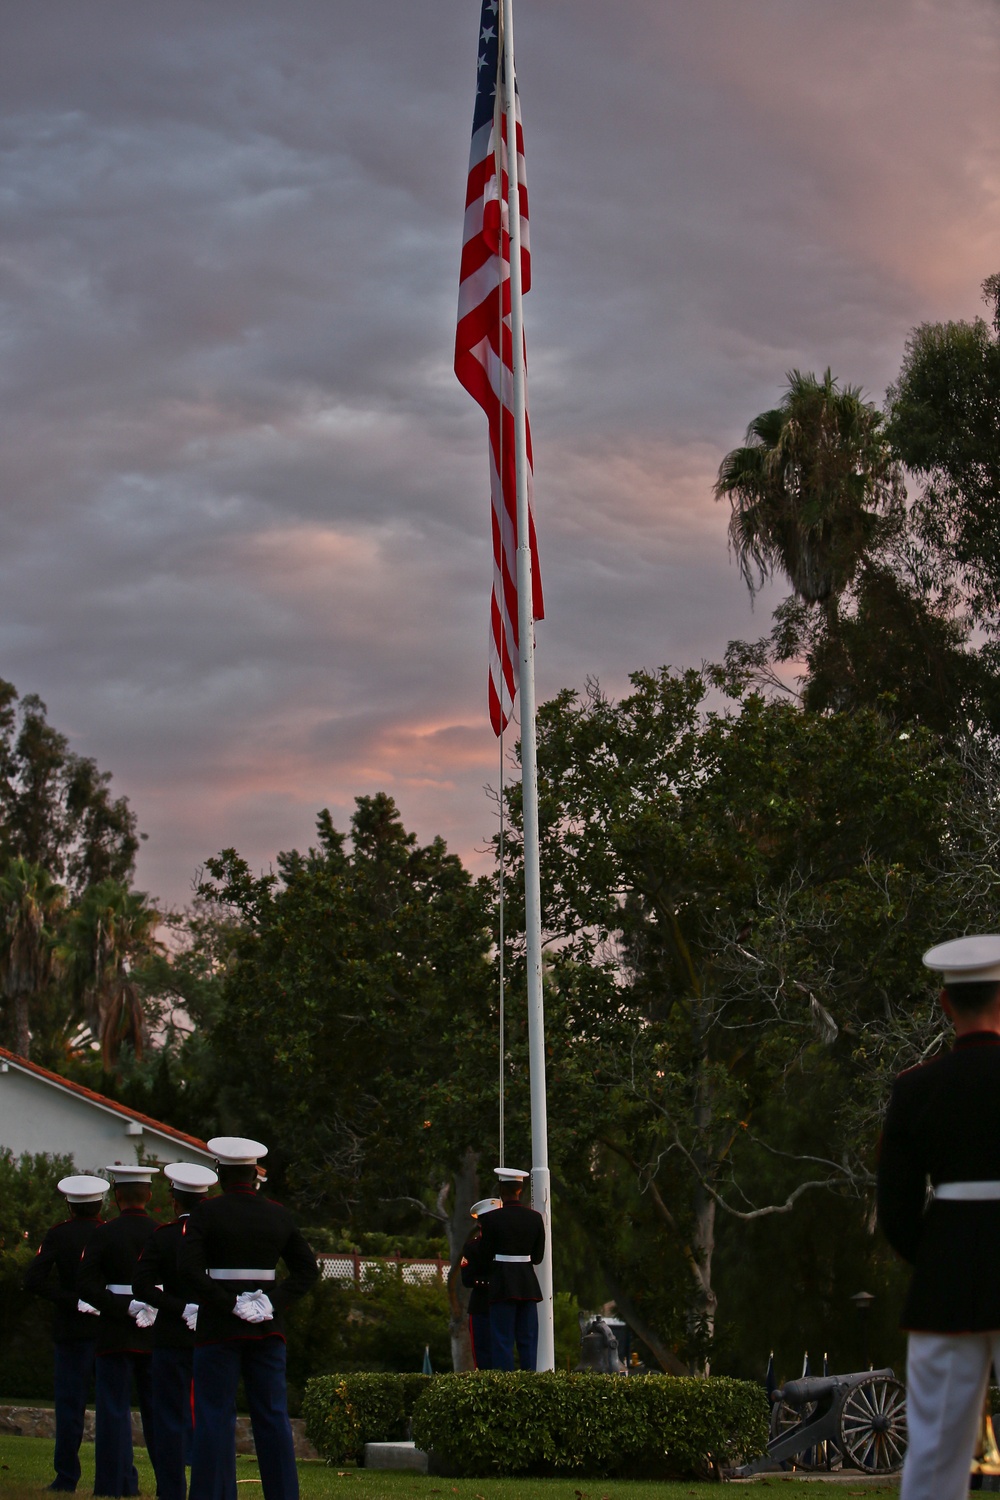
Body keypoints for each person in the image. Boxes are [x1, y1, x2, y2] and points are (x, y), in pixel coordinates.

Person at [877, 933, 1000, 1500]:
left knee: (933, 1453)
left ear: (947, 1005)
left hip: (948, 1271)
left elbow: (896, 1210)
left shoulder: (916, 1089)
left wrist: (939, 1254)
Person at [179, 1136, 319, 1500]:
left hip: (218, 1328)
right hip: (266, 1330)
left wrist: (227, 1303)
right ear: (254, 1175)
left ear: (221, 1173)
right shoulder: (277, 1213)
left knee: (213, 1416)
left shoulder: (205, 1213)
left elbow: (190, 1271)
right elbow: (306, 1271)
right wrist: (269, 1303)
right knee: (272, 1417)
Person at [133, 1163, 219, 1500]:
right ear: (206, 1199)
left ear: (175, 1201)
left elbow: (141, 1285)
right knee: (210, 1415)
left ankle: (171, 1491)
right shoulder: (216, 1238)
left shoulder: (163, 1236)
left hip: (170, 1336)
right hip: (211, 1337)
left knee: (168, 1418)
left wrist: (178, 1307)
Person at [77, 1162, 160, 1498]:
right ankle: (168, 1484)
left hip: (113, 1329)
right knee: (159, 1413)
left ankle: (113, 1485)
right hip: (154, 1332)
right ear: (150, 1195)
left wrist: (120, 1306)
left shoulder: (104, 1233)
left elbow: (86, 1283)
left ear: (116, 1195)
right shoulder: (160, 1232)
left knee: (113, 1410)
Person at [23, 1174, 109, 1492]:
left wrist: (72, 1300)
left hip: (71, 1330)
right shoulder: (109, 1232)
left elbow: (34, 1279)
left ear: (69, 1206)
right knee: (111, 1406)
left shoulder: (59, 1235)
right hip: (107, 1330)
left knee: (69, 1407)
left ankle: (66, 1476)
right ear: (101, 1204)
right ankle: (117, 1474)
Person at [476, 1166, 545, 1372]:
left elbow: (484, 1255)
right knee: (528, 1339)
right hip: (527, 1284)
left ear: (501, 1190)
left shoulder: (490, 1219)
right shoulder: (534, 1218)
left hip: (502, 1283)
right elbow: (538, 1257)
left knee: (502, 1340)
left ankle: (505, 1385)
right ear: (520, 1190)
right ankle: (530, 1381)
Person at [459, 1196, 501, 1369]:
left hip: (502, 1302)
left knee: (502, 1352)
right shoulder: (473, 1247)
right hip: (482, 1304)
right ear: (480, 1224)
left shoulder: (506, 1245)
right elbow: (467, 1279)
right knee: (482, 1353)